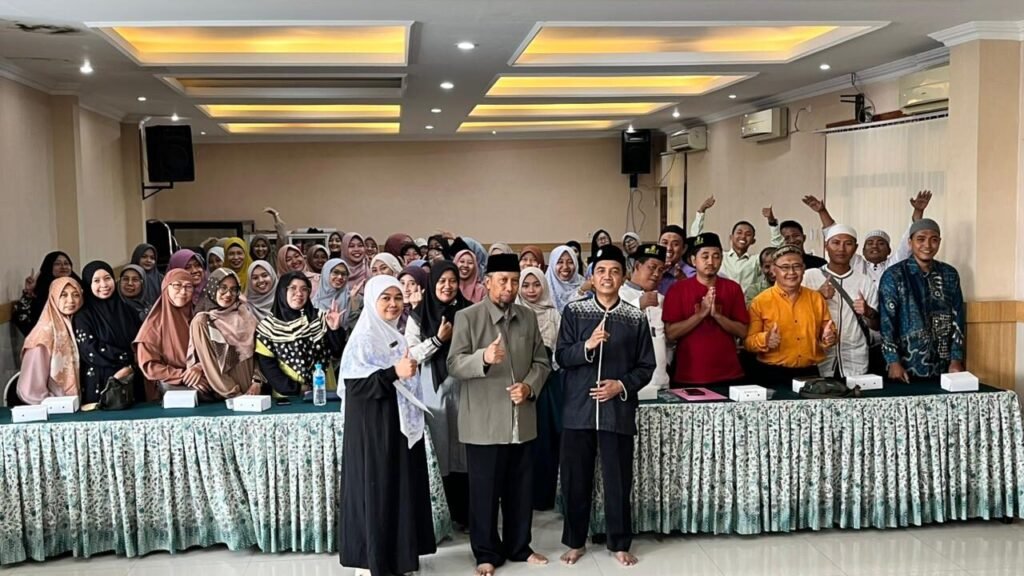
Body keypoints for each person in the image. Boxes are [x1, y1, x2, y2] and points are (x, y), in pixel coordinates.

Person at [447, 253, 552, 576]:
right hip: (483, 421)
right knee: (484, 493)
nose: (509, 287)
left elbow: (542, 361)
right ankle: (486, 553)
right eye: (503, 280)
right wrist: (483, 357)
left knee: (521, 489)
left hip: (521, 418)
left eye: (514, 281)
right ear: (487, 282)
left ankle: (520, 547)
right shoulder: (468, 317)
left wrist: (529, 387)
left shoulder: (527, 316)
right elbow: (454, 364)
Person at [556, 245, 655, 568]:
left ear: (623, 276)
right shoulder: (574, 312)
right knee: (575, 480)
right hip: (578, 410)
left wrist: (620, 386)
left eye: (614, 271)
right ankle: (575, 542)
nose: (607, 277)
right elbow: (561, 356)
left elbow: (646, 366)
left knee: (618, 481)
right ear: (592, 276)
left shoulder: (635, 317)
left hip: (617, 412)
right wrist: (587, 346)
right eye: (601, 271)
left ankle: (619, 543)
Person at [339, 275, 435, 576]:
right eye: (386, 298)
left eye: (397, 298)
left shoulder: (395, 335)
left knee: (399, 489)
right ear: (372, 301)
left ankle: (399, 558)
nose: (393, 304)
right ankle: (371, 560)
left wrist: (404, 370)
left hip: (398, 425)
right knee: (377, 490)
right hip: (374, 430)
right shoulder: (364, 338)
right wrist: (394, 372)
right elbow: (356, 387)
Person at [406, 261, 470, 528]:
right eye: (441, 281)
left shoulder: (469, 311)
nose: (447, 286)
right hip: (431, 389)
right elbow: (411, 354)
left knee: (464, 449)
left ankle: (466, 514)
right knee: (439, 449)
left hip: (465, 387)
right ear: (432, 283)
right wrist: (437, 340)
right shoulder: (418, 314)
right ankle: (441, 515)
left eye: (452, 281)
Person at [879, 219, 965, 381]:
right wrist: (893, 361)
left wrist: (956, 359)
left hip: (944, 365)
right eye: (921, 239)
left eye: (934, 240)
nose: (928, 245)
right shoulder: (894, 275)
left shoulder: (949, 274)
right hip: (905, 366)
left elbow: (958, 317)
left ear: (939, 242)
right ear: (910, 242)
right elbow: (886, 323)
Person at [744, 246, 837, 387]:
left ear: (803, 269)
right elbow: (748, 342)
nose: (792, 272)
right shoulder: (760, 301)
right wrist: (765, 339)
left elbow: (828, 333)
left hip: (810, 373)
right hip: (772, 374)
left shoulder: (816, 298)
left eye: (796, 266)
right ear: (774, 270)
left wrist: (830, 337)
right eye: (785, 267)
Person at [664, 234, 750, 386]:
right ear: (693, 260)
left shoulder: (733, 288)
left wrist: (717, 315)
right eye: (705, 256)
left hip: (729, 373)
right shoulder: (677, 290)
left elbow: (742, 331)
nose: (711, 261)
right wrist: (701, 314)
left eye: (716, 256)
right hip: (689, 374)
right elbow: (671, 333)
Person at [801, 191, 932, 284]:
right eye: (869, 243)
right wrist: (822, 212)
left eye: (881, 243)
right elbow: (836, 233)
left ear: (889, 250)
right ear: (862, 250)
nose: (874, 246)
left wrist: (918, 212)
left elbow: (907, 243)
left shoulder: (894, 264)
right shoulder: (856, 263)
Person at [802, 226, 879, 377]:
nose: (841, 249)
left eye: (848, 243)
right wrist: (818, 296)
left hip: (855, 356)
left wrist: (868, 311)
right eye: (835, 243)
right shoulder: (809, 276)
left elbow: (875, 326)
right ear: (826, 246)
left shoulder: (864, 281)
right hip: (818, 354)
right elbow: (795, 314)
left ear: (855, 248)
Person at [255, 271, 345, 397]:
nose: (299, 293)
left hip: (324, 390)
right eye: (293, 288)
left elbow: (337, 352)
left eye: (304, 289)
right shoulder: (267, 327)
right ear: (282, 291)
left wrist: (335, 330)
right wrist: (298, 389)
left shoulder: (320, 317)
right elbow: (269, 369)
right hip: (288, 397)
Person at [516, 266, 563, 510]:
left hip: (549, 384)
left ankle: (545, 496)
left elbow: (562, 347)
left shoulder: (554, 314)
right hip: (521, 383)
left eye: (536, 285)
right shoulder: (515, 313)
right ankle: (522, 496)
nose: (531, 290)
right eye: (525, 285)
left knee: (547, 440)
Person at [74, 261, 144, 404]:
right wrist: (127, 359)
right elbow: (89, 349)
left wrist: (131, 367)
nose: (104, 285)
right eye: (96, 281)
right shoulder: (83, 316)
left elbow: (140, 343)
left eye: (107, 278)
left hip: (131, 380)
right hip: (101, 382)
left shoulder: (129, 311)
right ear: (88, 284)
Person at [186, 268, 261, 399]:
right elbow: (211, 365)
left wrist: (257, 381)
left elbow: (260, 354)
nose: (228, 294)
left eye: (233, 289)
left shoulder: (246, 315)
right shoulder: (203, 321)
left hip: (255, 393)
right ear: (212, 288)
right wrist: (235, 394)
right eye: (223, 288)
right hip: (228, 397)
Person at [134, 270, 203, 396]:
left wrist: (200, 367)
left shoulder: (198, 317)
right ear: (166, 287)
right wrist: (184, 376)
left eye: (188, 286)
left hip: (200, 377)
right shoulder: (153, 326)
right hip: (170, 386)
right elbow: (150, 366)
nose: (183, 291)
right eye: (177, 285)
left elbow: (211, 351)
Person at [17, 277, 83, 404]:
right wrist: (54, 404)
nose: (70, 300)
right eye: (63, 295)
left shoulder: (74, 325)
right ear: (53, 297)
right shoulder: (43, 334)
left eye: (76, 295)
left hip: (72, 405)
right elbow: (29, 389)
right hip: (52, 408)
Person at [618, 244, 670, 394]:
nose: (656, 274)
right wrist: (638, 305)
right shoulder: (619, 295)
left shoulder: (661, 300)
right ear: (637, 266)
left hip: (661, 380)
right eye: (652, 267)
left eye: (661, 270)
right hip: (632, 384)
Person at [14, 251, 78, 336]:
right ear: (48, 266)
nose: (63, 267)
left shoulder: (79, 287)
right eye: (57, 264)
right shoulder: (41, 291)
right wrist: (29, 292)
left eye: (66, 263)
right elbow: (22, 318)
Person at [546, 245, 585, 312]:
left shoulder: (584, 286)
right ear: (552, 264)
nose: (565, 267)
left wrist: (581, 291)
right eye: (560, 262)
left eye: (570, 262)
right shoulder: (543, 288)